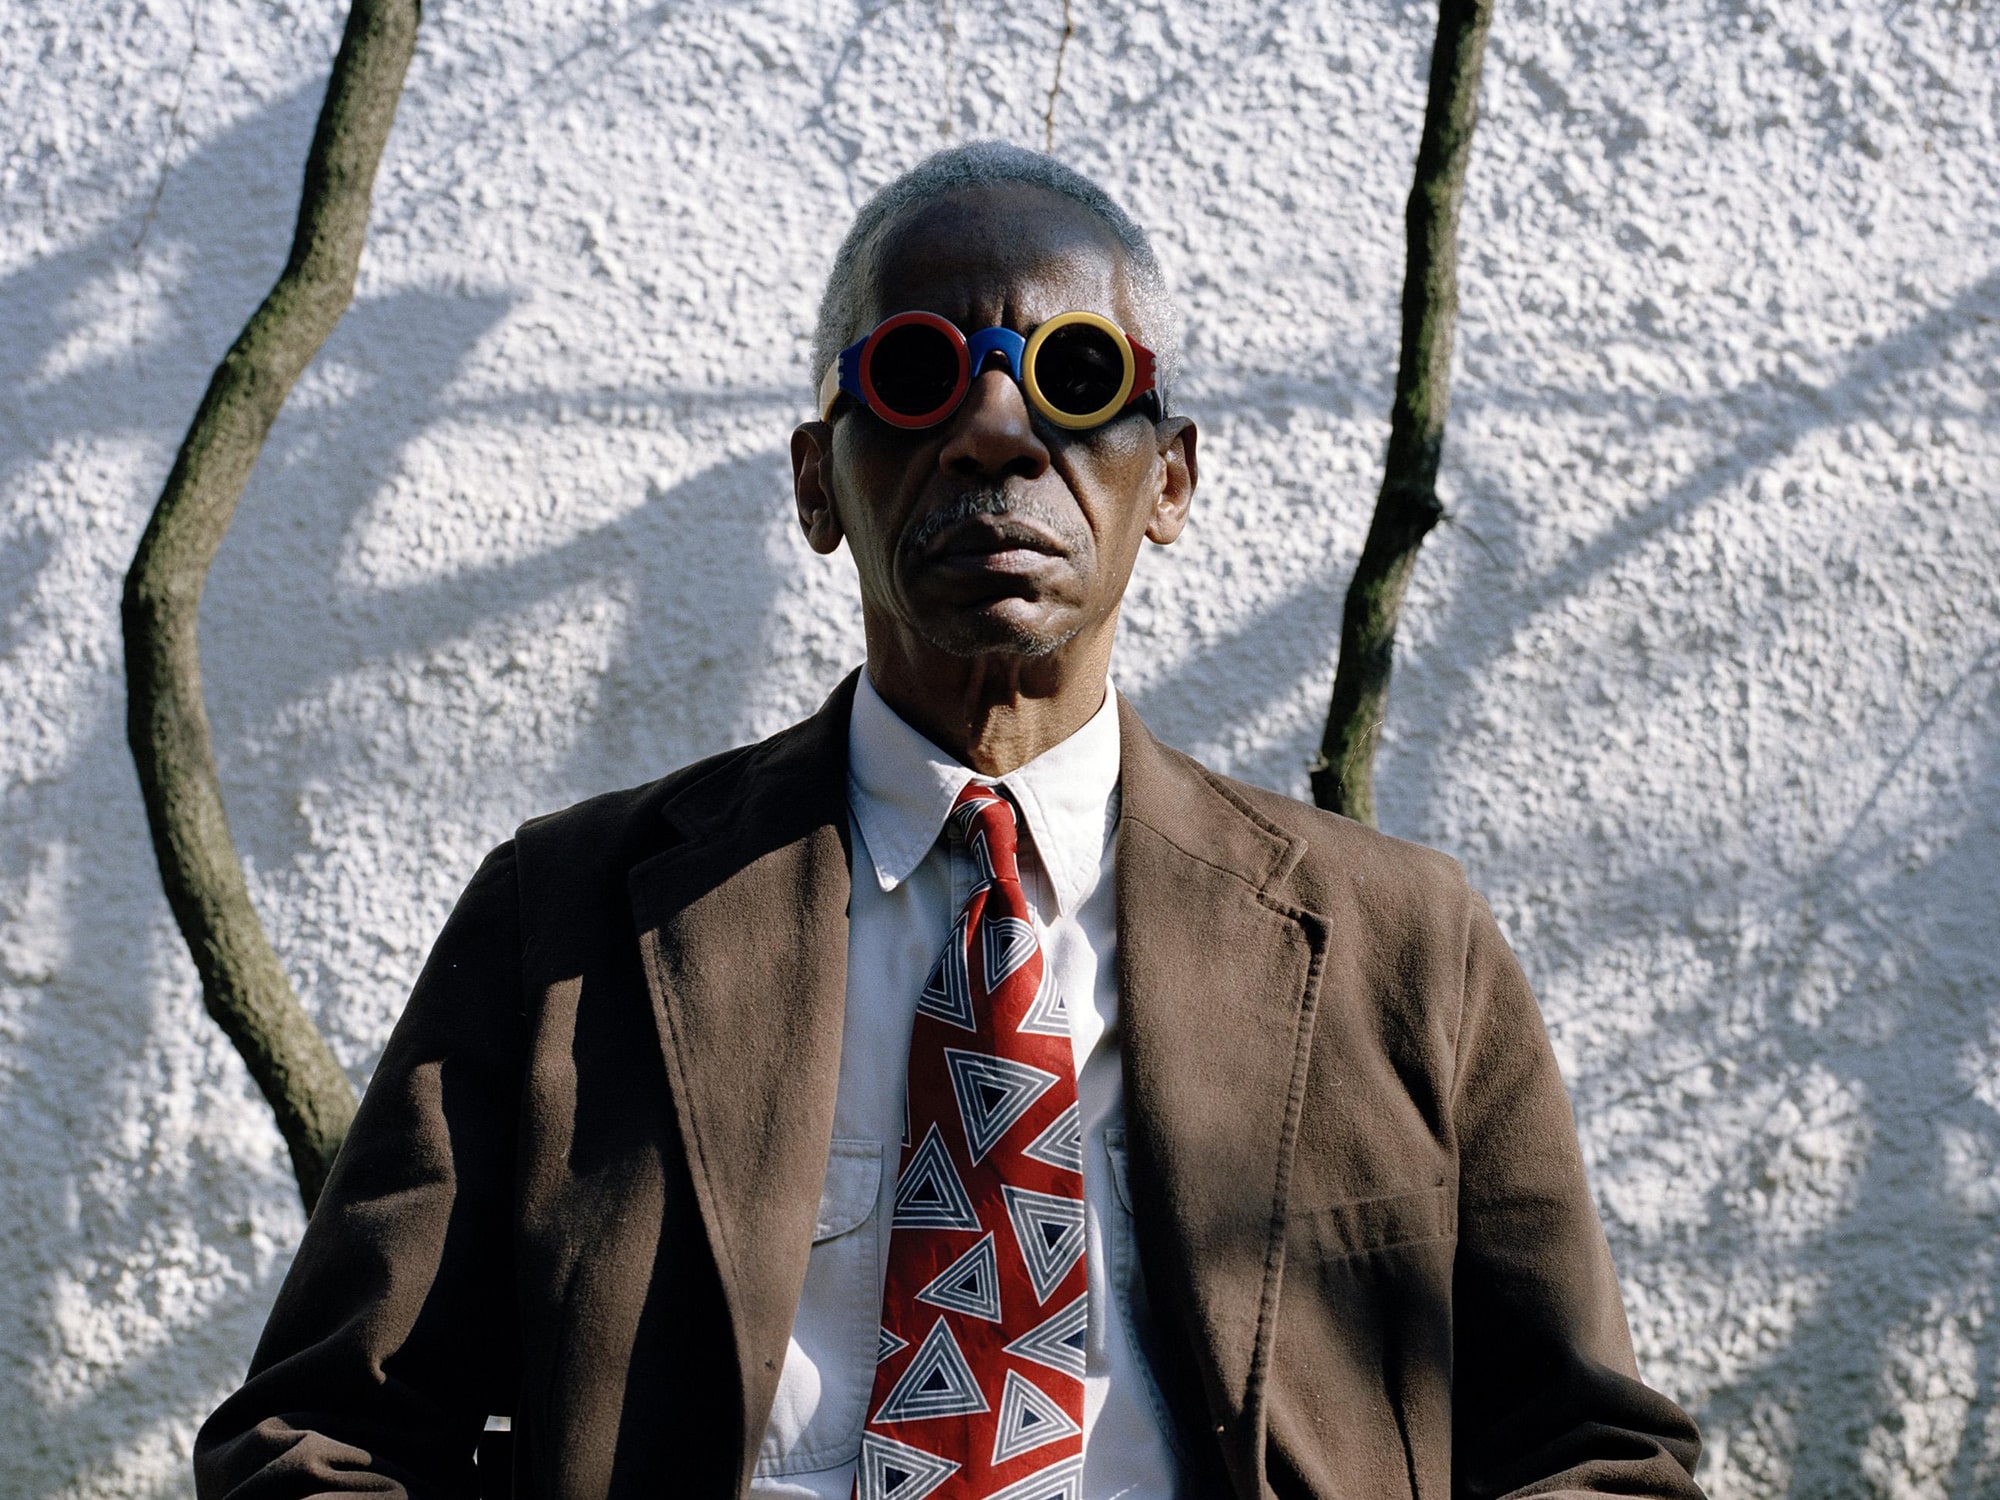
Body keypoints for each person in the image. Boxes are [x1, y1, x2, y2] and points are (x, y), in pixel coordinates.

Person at [195, 143, 1704, 1500]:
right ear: (816, 483)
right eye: (916, 376)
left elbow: (1595, 1458)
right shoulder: (573, 916)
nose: (993, 430)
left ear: (1168, 481)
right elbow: (317, 1444)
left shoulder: (1398, 942)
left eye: (1079, 376)